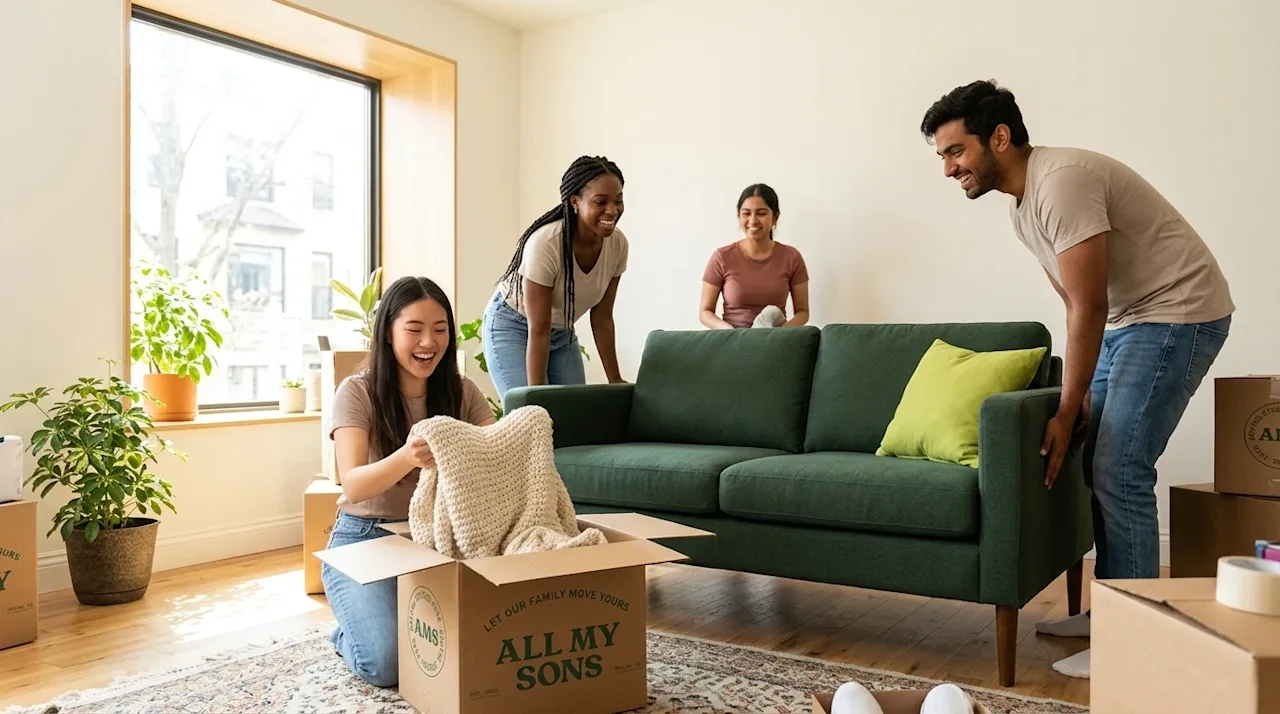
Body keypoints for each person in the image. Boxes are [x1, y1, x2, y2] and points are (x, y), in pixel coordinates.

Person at [920, 80, 1234, 679]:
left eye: (955, 151)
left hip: (1178, 311)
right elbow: (1074, 301)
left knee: (1121, 467)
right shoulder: (1021, 209)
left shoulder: (1061, 182)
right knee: (1099, 462)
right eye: (942, 156)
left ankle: (1133, 639)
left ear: (1000, 138)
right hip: (1131, 320)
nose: (948, 168)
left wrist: (1067, 410)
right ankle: (1114, 610)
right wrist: (1081, 393)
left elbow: (1088, 307)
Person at [322, 275, 496, 688]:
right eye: (414, 330)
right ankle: (347, 633)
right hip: (365, 538)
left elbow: (494, 449)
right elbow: (353, 485)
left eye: (440, 330)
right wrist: (405, 457)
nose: (428, 342)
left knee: (484, 639)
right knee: (386, 664)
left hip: (436, 537)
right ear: (387, 333)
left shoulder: (463, 391)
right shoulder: (356, 392)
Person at [482, 155, 629, 401]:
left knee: (574, 416)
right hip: (514, 326)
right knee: (529, 414)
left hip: (562, 332)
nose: (612, 210)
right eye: (601, 201)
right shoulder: (546, 244)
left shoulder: (618, 245)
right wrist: (536, 402)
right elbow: (539, 329)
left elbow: (602, 317)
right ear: (575, 202)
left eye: (618, 200)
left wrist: (615, 379)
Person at [699, 183, 810, 329]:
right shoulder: (722, 257)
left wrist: (780, 334)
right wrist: (728, 331)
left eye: (761, 213)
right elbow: (705, 312)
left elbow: (802, 312)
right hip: (734, 337)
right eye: (746, 213)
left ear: (775, 217)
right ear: (739, 216)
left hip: (774, 336)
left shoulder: (792, 257)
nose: (753, 220)